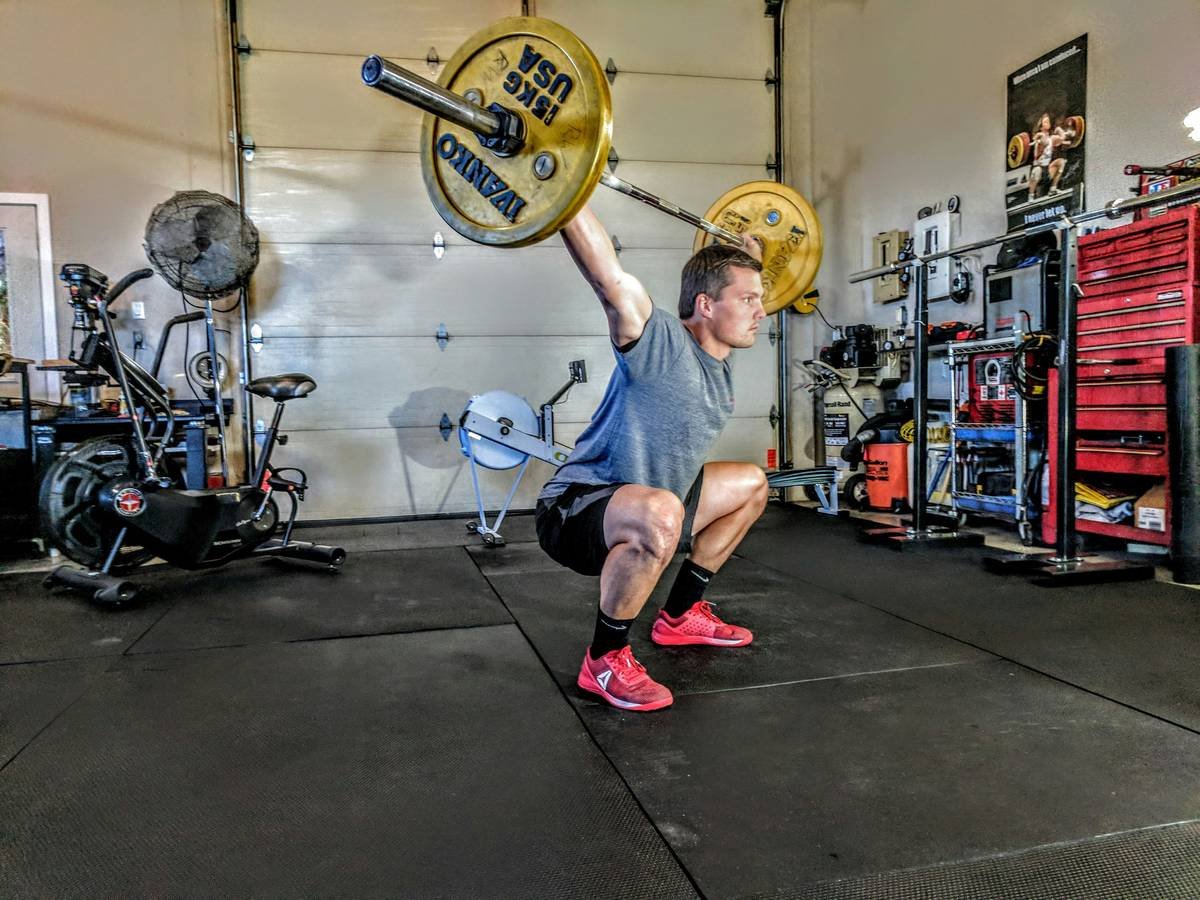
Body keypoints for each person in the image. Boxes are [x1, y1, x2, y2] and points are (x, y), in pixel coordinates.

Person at [535, 205, 770, 712]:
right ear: (705, 306)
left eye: (761, 299)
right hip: (577, 510)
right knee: (661, 511)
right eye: (748, 300)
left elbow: (740, 282)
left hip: (657, 503)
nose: (761, 311)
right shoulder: (657, 339)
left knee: (751, 482)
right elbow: (609, 277)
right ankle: (605, 659)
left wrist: (751, 258)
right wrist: (565, 197)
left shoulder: (719, 361)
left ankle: (680, 616)